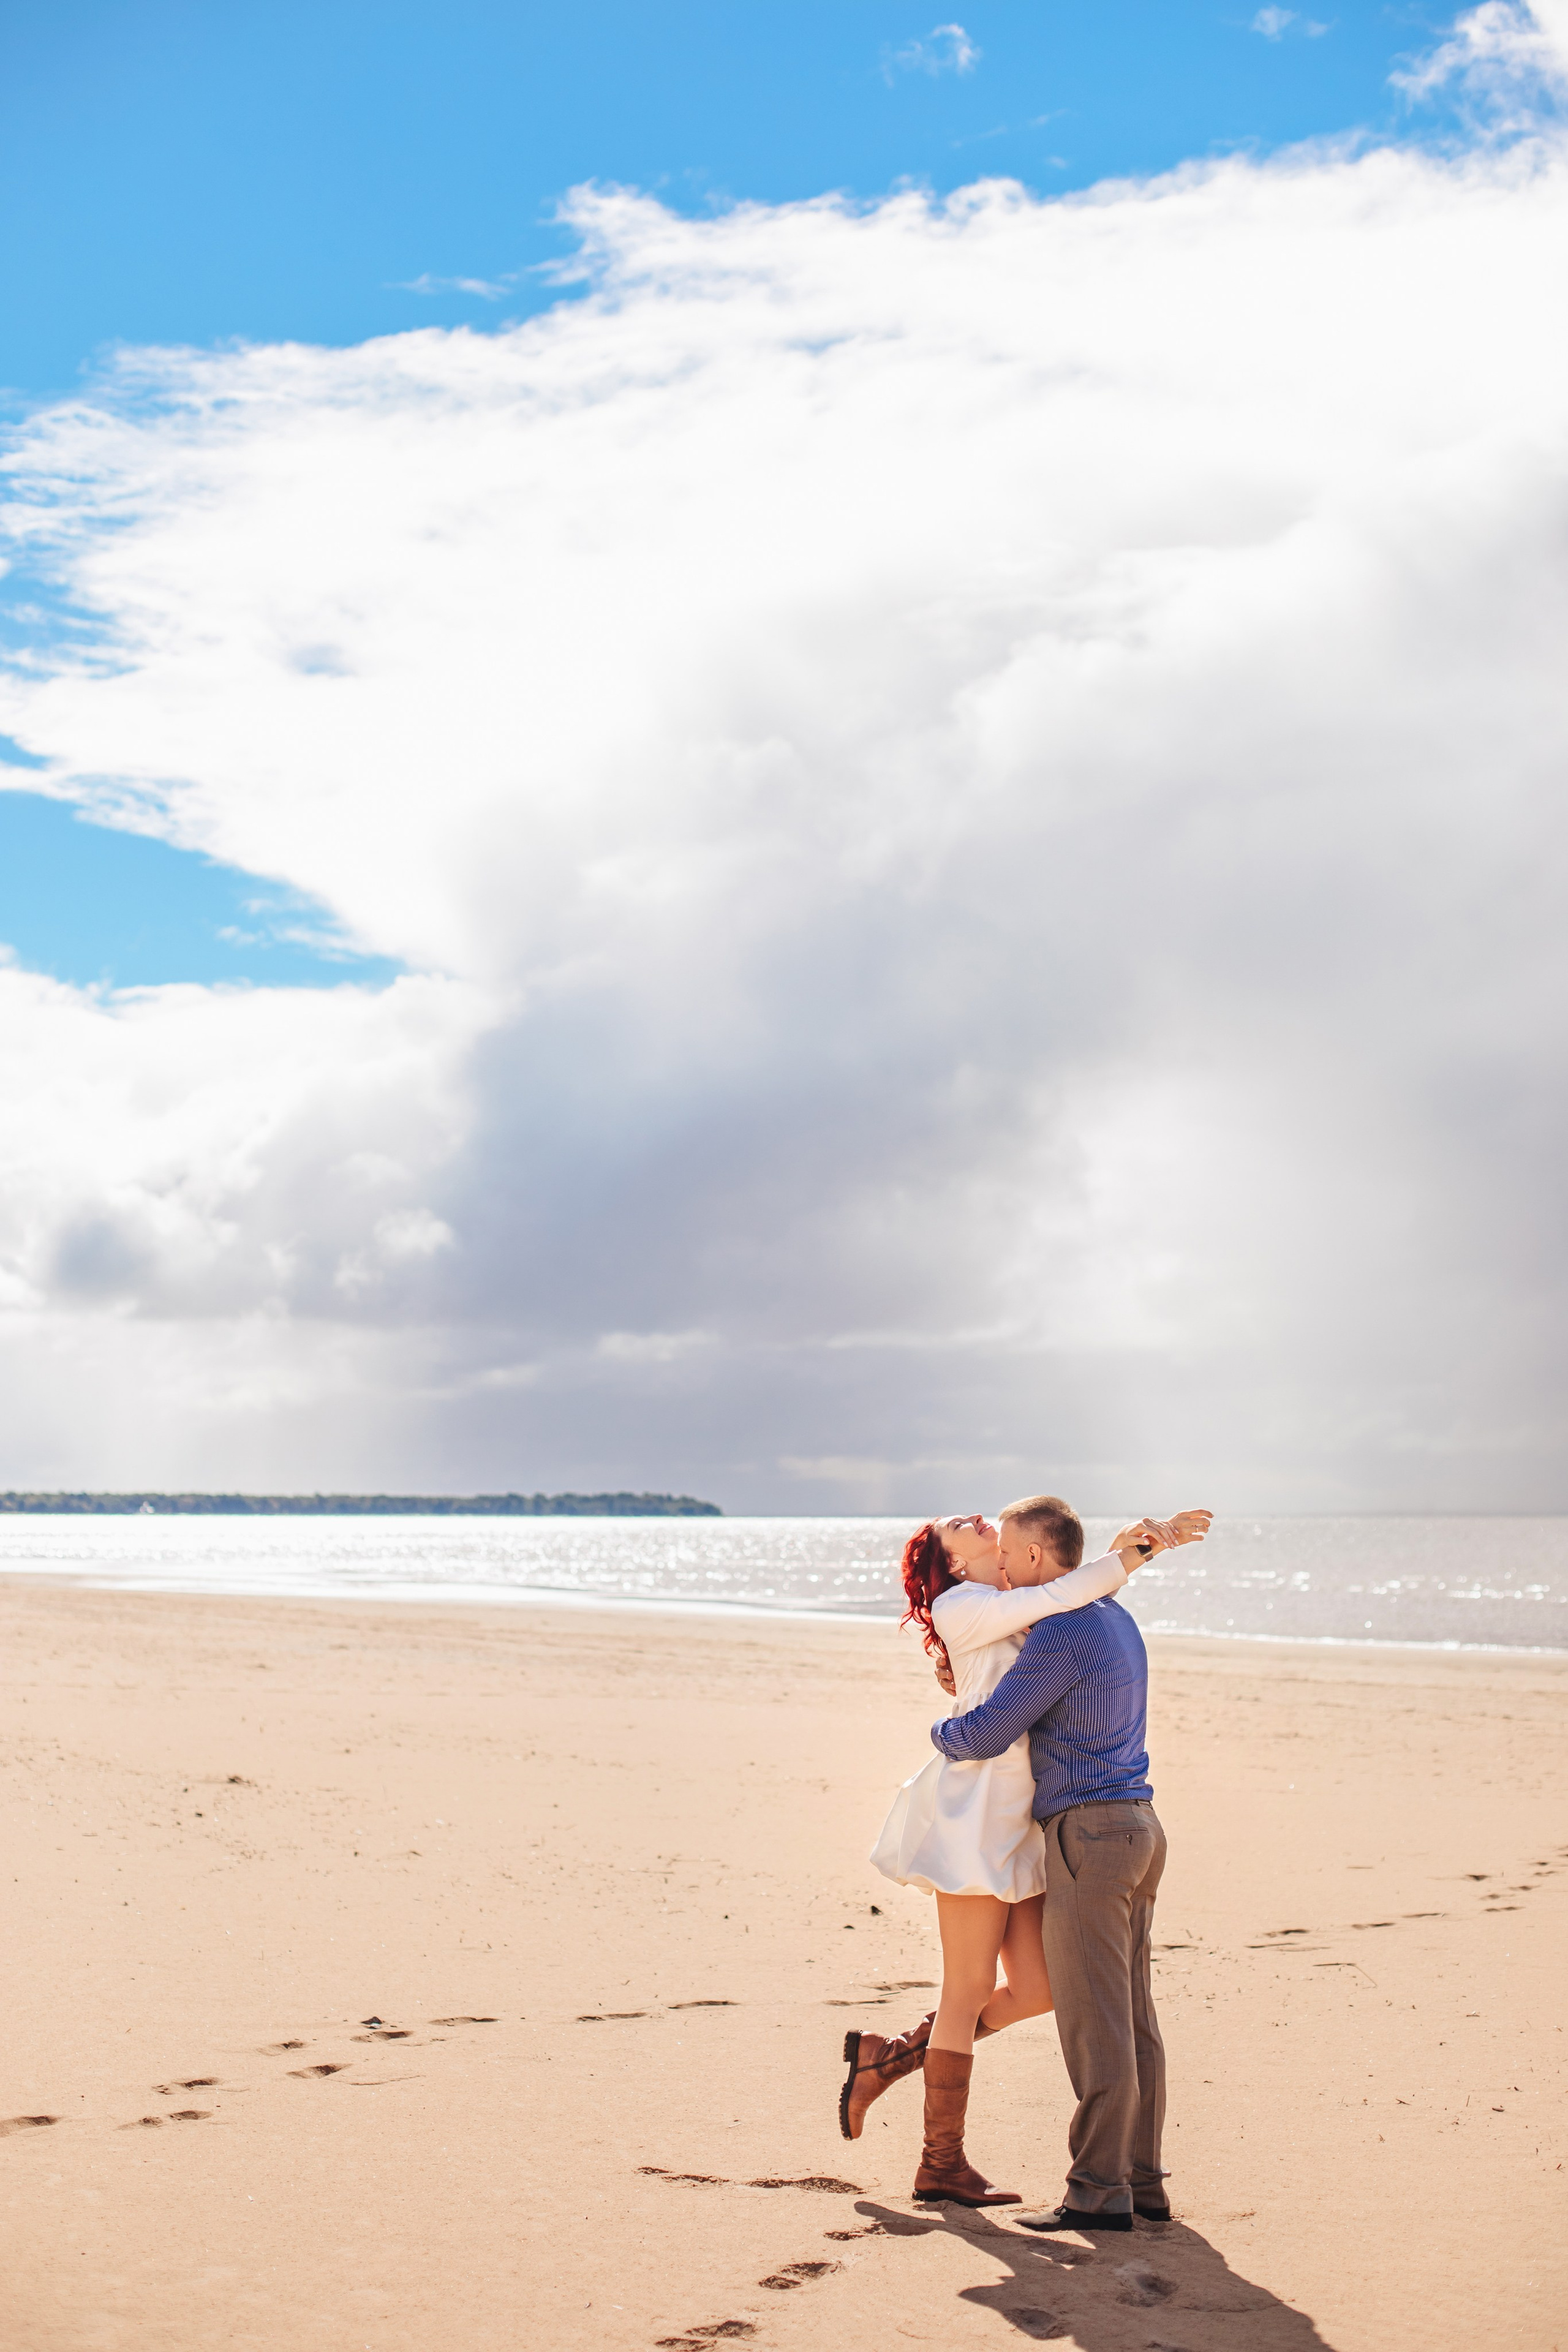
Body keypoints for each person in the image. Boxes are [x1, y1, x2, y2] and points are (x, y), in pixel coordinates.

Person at [839, 1500, 1205, 2207]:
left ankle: (888, 2061)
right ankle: (940, 2164)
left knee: (1040, 1989)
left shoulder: (1018, 1601)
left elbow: (1069, 1592)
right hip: (977, 1810)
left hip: (1032, 1818)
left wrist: (1131, 1551)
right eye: (957, 1526)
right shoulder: (962, 1604)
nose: (973, 1520)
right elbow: (1069, 1590)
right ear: (948, 1562)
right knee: (966, 1990)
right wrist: (1132, 1553)